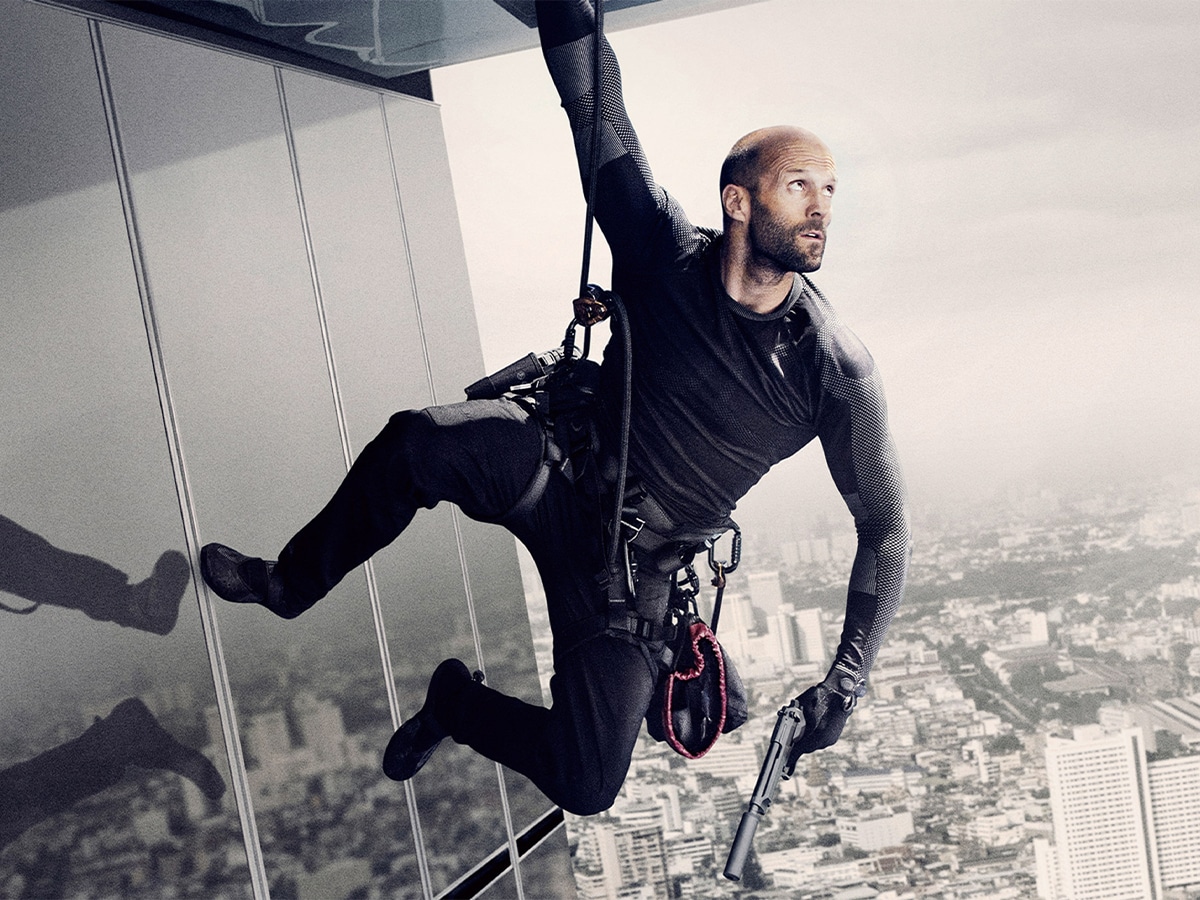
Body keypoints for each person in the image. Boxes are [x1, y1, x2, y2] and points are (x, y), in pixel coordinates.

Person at [200, 0, 910, 816]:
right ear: (739, 201)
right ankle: (289, 581)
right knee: (416, 445)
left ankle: (456, 705)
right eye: (798, 186)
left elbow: (884, 529)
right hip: (555, 467)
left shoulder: (833, 369)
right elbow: (591, 95)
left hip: (632, 573)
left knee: (588, 783)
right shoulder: (657, 246)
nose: (822, 205)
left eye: (830, 188)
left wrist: (847, 682)